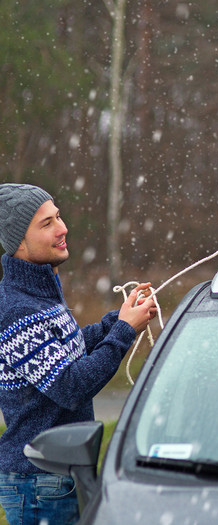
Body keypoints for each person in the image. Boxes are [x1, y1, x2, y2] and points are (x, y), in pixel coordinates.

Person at [0, 183, 157, 525]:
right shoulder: (15, 309)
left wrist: (117, 319)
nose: (62, 228)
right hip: (38, 481)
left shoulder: (40, 290)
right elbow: (70, 386)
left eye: (58, 217)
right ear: (19, 244)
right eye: (47, 224)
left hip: (60, 471)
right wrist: (124, 332)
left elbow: (70, 348)